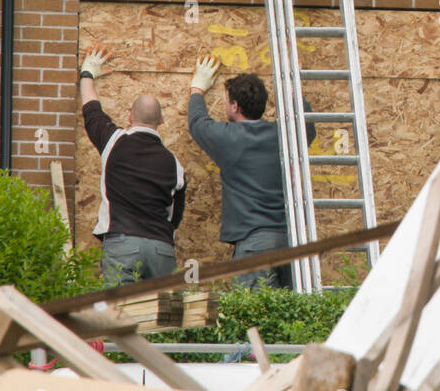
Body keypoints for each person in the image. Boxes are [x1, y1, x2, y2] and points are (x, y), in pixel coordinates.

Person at [187, 56, 315, 289]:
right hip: (290, 240)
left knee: (254, 318)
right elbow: (306, 125)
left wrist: (197, 88)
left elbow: (197, 122)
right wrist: (295, 89)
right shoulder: (284, 136)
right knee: (289, 318)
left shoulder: (228, 138)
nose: (226, 105)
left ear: (235, 106)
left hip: (254, 245)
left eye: (226, 101)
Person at [78, 45, 186, 284]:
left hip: (122, 247)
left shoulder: (113, 141)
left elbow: (91, 110)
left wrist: (87, 73)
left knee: (119, 314)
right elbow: (175, 217)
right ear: (161, 120)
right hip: (161, 250)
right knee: (163, 316)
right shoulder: (175, 164)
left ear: (129, 116)